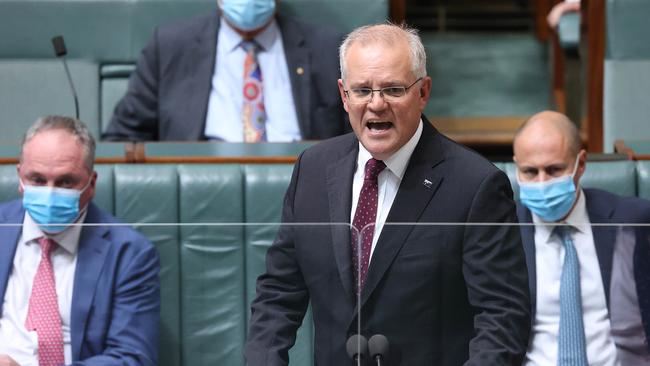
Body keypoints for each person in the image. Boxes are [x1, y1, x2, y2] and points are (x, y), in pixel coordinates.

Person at [245, 23, 531, 365]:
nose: (376, 104)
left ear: (423, 92)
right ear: (343, 95)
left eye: (393, 89)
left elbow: (503, 317)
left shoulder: (476, 186)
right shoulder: (313, 170)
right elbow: (278, 294)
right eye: (362, 90)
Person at [0, 116, 160, 365]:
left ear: (91, 183)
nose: (50, 192)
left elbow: (132, 358)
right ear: (20, 178)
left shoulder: (129, 253)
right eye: (37, 180)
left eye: (65, 182)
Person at [103, 0, 348, 142]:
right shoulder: (169, 47)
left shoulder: (327, 49)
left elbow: (359, 141)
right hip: (200, 194)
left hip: (303, 189)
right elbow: (122, 139)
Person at [514, 110, 650, 365]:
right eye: (530, 172)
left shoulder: (633, 219)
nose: (542, 183)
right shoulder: (502, 230)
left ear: (581, 163)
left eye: (554, 170)